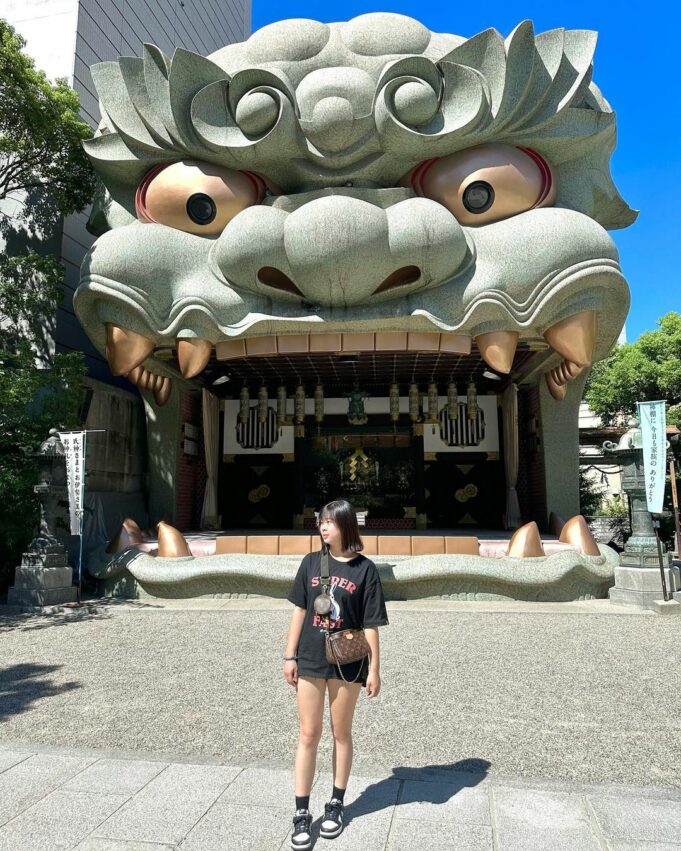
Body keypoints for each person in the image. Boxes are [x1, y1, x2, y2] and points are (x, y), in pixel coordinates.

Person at [283, 499, 389, 849]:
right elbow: (300, 610)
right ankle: (301, 812)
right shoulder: (312, 562)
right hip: (311, 658)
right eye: (321, 522)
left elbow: (371, 624)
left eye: (330, 522)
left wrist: (375, 668)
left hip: (348, 662)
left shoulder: (365, 570)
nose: (323, 527)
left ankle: (335, 804)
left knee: (341, 733)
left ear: (346, 525)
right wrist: (289, 655)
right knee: (308, 734)